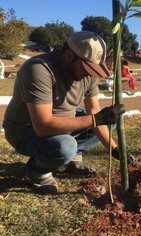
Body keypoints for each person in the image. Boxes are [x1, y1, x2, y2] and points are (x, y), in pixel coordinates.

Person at [2, 31, 127, 194]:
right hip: (26, 131)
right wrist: (97, 119)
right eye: (87, 69)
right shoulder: (39, 69)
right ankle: (38, 171)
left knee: (110, 120)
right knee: (65, 146)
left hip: (63, 124)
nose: (89, 74)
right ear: (68, 56)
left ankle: (70, 160)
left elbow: (95, 112)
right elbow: (43, 126)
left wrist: (115, 150)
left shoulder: (89, 74)